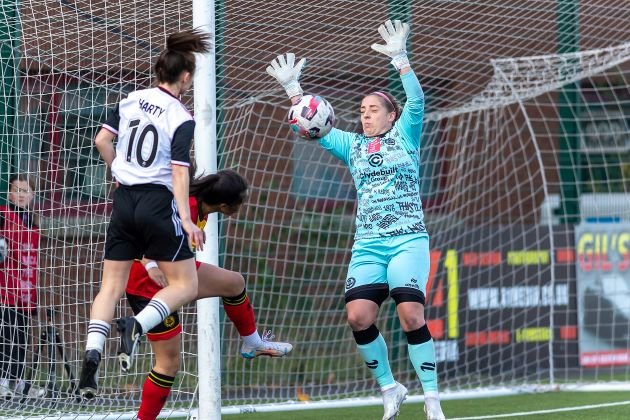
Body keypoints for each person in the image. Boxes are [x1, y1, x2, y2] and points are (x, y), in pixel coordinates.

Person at [267, 20, 446, 420]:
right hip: (368, 244)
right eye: (361, 110)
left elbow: (416, 101)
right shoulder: (352, 145)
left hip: (407, 240)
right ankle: (390, 388)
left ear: (390, 114)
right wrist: (294, 90)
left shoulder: (406, 135)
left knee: (410, 314)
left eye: (373, 109)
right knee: (358, 316)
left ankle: (432, 398)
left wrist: (401, 59)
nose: (365, 115)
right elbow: (313, 127)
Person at [79, 29, 211, 399]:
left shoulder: (129, 99)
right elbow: (180, 170)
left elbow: (102, 141)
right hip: (156, 203)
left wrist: (117, 171)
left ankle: (91, 358)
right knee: (186, 285)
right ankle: (135, 325)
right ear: (185, 77)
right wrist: (186, 220)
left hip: (123, 202)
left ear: (158, 70)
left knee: (110, 287)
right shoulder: (180, 116)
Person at [127, 169, 292, 420]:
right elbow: (143, 238)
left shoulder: (197, 204)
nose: (241, 206)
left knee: (234, 283)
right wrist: (150, 264)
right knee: (168, 364)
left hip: (178, 273)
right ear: (225, 204)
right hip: (149, 286)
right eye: (239, 202)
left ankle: (253, 342)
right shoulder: (188, 209)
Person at [0, 174, 41, 398]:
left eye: (26, 190)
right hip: (5, 289)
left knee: (21, 339)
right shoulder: (3, 215)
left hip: (26, 291)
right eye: (17, 190)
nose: (22, 194)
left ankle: (18, 382)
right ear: (10, 193)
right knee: (5, 337)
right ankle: (3, 381)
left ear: (32, 195)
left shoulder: (32, 222)